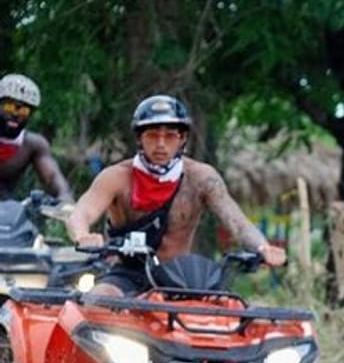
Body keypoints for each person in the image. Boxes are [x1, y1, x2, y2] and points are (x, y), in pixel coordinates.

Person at [66, 94, 286, 296]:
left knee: (226, 315)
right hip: (126, 274)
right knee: (99, 299)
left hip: (181, 277)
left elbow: (236, 221)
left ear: (182, 139)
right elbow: (81, 212)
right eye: (152, 135)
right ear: (140, 138)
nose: (161, 144)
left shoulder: (201, 177)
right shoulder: (116, 177)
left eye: (170, 136)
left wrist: (262, 247)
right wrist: (82, 235)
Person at [0, 73, 73, 202]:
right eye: (10, 107)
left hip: (6, 213)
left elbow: (52, 177)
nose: (16, 114)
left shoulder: (32, 145)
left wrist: (65, 198)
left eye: (24, 111)